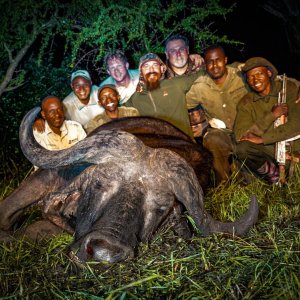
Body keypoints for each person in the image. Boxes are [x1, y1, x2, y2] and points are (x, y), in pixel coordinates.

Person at [185, 45, 249, 183]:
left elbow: (271, 81)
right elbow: (180, 104)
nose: (214, 65)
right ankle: (223, 185)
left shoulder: (241, 75)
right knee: (211, 138)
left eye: (218, 60)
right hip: (223, 134)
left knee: (250, 180)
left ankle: (244, 173)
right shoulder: (200, 86)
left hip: (248, 131)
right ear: (205, 64)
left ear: (225, 60)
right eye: (209, 61)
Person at [233, 57, 300, 184]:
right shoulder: (246, 102)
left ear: (269, 73)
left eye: (259, 74)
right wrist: (272, 115)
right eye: (250, 77)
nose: (255, 80)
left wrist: (263, 138)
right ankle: (272, 174)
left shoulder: (289, 89)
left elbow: (296, 125)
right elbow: (240, 135)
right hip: (269, 151)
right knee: (241, 148)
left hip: (293, 149)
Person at [126, 53, 201, 137]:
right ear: (141, 71)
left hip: (183, 142)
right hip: (156, 146)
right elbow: (120, 113)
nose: (151, 69)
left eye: (155, 65)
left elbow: (201, 74)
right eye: (146, 66)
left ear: (162, 69)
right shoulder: (136, 98)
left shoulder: (175, 84)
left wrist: (197, 58)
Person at [33, 70, 103, 132]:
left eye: (85, 84)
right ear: (72, 86)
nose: (82, 89)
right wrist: (40, 120)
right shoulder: (66, 104)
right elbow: (54, 118)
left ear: (91, 83)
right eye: (77, 86)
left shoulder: (101, 92)